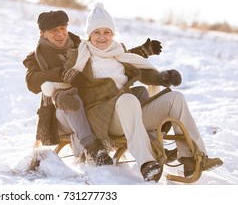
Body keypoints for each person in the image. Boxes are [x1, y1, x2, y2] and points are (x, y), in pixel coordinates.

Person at [44, 2, 223, 181]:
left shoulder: (119, 52)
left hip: (130, 112)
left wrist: (163, 77)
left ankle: (192, 158)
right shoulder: (79, 55)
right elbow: (65, 80)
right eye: (97, 32)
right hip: (103, 118)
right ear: (89, 34)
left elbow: (143, 72)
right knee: (128, 99)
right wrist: (61, 93)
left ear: (112, 34)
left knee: (175, 98)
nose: (102, 37)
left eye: (106, 32)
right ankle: (147, 163)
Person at [22, 9, 162, 167]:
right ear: (42, 33)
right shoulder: (36, 57)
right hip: (61, 112)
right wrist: (63, 74)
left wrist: (140, 52)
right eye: (54, 30)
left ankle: (151, 142)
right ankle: (94, 148)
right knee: (70, 99)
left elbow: (106, 54)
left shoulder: (80, 45)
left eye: (62, 28)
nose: (60, 34)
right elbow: (31, 82)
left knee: (139, 92)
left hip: (91, 104)